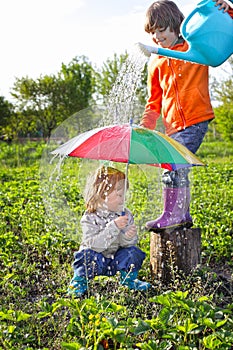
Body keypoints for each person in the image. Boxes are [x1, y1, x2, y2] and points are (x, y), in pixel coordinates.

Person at [138, 0, 217, 231]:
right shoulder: (156, 61)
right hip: (172, 126)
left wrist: (227, 6)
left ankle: (174, 215)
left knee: (173, 164)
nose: (156, 37)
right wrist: (146, 127)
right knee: (174, 166)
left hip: (196, 119)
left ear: (175, 25)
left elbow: (219, 28)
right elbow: (154, 101)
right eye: (153, 33)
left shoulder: (195, 48)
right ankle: (180, 214)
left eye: (161, 30)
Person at [68, 166, 151, 297]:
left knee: (132, 252)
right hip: (97, 259)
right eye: (118, 195)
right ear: (101, 195)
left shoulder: (125, 214)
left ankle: (128, 279)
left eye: (124, 194)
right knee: (86, 256)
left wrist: (128, 237)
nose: (122, 199)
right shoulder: (90, 217)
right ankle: (80, 281)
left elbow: (127, 245)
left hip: (115, 260)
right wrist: (114, 227)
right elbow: (95, 245)